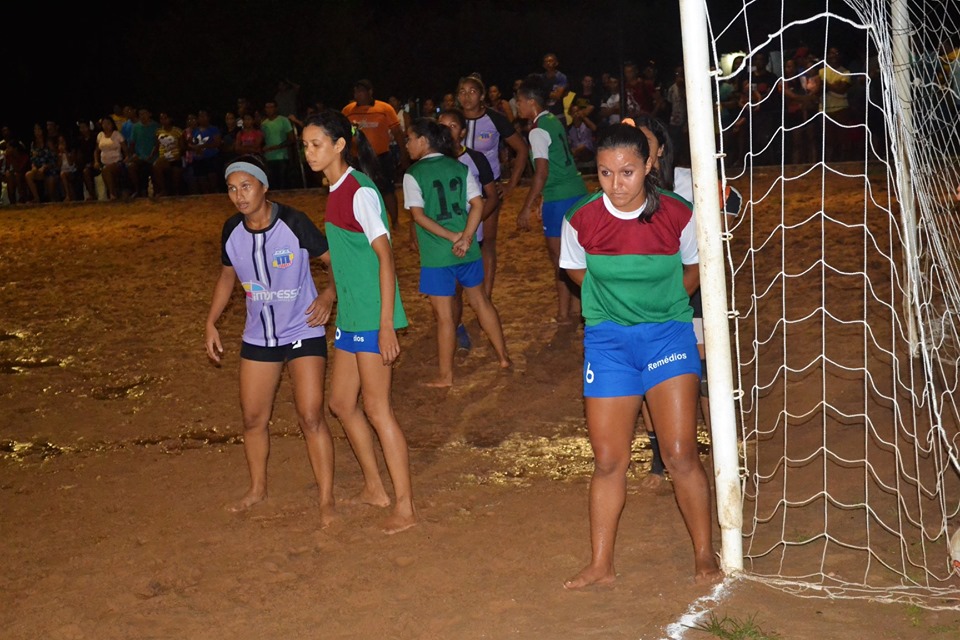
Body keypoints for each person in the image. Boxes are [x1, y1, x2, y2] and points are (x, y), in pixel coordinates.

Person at [559, 122, 721, 589]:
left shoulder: (678, 213)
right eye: (605, 173)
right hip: (608, 344)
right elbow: (575, 270)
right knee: (609, 460)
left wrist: (662, 304)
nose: (616, 184)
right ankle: (601, 564)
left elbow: (695, 266)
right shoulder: (581, 218)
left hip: (667, 338)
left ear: (649, 165)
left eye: (627, 171)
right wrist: (612, 305)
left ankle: (704, 554)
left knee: (680, 453)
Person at [203, 154, 338, 525]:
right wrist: (211, 321)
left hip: (303, 329)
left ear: (264, 187)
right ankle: (257, 489)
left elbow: (334, 262)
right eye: (232, 189)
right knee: (252, 419)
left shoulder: (294, 222)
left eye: (246, 186)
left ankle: (326, 499)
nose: (239, 196)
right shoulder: (232, 230)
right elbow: (227, 276)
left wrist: (329, 295)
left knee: (311, 416)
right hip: (259, 336)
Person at [300, 109, 417, 535]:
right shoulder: (334, 190)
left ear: (338, 146)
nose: (309, 152)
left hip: (371, 314)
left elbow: (386, 257)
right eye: (305, 146)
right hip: (351, 314)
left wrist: (386, 324)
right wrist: (332, 293)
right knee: (341, 403)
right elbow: (348, 258)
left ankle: (405, 506)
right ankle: (374, 488)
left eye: (316, 144)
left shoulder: (359, 191)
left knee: (378, 409)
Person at [403, 117, 512, 386]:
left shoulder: (413, 174)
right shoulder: (459, 166)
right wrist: (465, 237)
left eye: (409, 139)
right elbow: (478, 204)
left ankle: (446, 376)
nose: (406, 145)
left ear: (423, 141)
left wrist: (452, 237)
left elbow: (418, 216)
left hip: (437, 256)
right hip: (468, 250)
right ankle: (503, 357)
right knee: (482, 302)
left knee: (444, 318)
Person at [514, 75, 588, 326]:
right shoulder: (553, 121)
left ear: (531, 102)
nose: (518, 106)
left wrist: (527, 207)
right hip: (576, 191)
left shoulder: (537, 131)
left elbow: (542, 172)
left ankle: (564, 313)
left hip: (560, 198)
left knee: (560, 261)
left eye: (520, 101)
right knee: (577, 255)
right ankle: (577, 309)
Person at [456, 73, 529, 299]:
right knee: (458, 237)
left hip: (486, 189)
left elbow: (522, 149)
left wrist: (511, 184)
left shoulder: (495, 119)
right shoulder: (452, 120)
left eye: (472, 91)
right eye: (462, 92)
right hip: (457, 189)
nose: (467, 97)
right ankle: (457, 293)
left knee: (486, 242)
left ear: (482, 95)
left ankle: (485, 295)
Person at [438, 108, 501, 351]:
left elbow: (492, 196)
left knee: (473, 291)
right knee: (453, 290)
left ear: (463, 132)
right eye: (442, 126)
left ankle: (494, 346)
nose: (446, 131)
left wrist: (471, 226)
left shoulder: (475, 158)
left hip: (472, 236)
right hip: (444, 236)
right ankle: (457, 328)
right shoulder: (431, 162)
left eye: (452, 126)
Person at [341, 79, 408, 231]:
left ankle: (395, 221)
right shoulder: (348, 110)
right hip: (357, 158)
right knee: (358, 190)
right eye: (355, 92)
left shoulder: (384, 108)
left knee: (387, 189)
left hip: (380, 156)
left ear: (370, 92)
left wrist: (403, 155)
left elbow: (397, 133)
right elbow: (342, 132)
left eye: (361, 91)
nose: (357, 95)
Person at [261, 100, 296, 190]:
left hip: (281, 157)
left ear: (276, 108)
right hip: (268, 158)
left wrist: (277, 147)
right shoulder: (264, 124)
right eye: (267, 107)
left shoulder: (283, 120)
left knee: (283, 185)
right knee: (272, 186)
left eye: (271, 107)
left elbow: (291, 139)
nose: (269, 109)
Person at [126, 107, 160, 198]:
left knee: (155, 166)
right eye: (140, 114)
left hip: (153, 157)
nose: (142, 116)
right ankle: (137, 190)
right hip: (140, 157)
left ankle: (157, 190)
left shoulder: (156, 126)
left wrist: (151, 155)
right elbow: (132, 143)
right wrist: (132, 155)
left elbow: (157, 144)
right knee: (131, 166)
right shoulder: (136, 127)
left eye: (144, 113)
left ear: (150, 114)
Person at [186, 109, 221, 194]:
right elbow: (191, 143)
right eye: (200, 116)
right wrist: (194, 146)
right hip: (198, 159)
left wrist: (202, 146)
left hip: (211, 158)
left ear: (208, 117)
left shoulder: (213, 129)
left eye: (204, 116)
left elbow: (217, 143)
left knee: (212, 179)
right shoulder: (195, 130)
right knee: (202, 181)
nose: (201, 118)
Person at [152, 112, 185, 197]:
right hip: (163, 157)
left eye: (165, 118)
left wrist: (179, 155)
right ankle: (163, 190)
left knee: (176, 176)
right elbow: (157, 145)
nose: (163, 120)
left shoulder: (177, 131)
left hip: (175, 157)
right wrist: (151, 155)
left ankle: (175, 192)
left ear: (170, 119)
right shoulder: (158, 131)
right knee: (156, 166)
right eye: (161, 118)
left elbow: (182, 147)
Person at [94, 116, 126, 200]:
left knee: (106, 170)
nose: (106, 126)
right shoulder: (100, 135)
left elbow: (125, 150)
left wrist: (126, 159)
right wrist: (96, 161)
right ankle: (110, 193)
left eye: (108, 123)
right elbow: (96, 150)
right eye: (104, 123)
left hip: (117, 162)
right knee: (104, 170)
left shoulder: (117, 135)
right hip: (104, 163)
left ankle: (112, 193)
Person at [540, 53, 569, 117]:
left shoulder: (561, 77)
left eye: (550, 61)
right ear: (543, 65)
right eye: (546, 61)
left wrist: (543, 93)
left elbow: (557, 96)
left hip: (557, 113)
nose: (548, 63)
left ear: (556, 63)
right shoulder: (540, 78)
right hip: (543, 113)